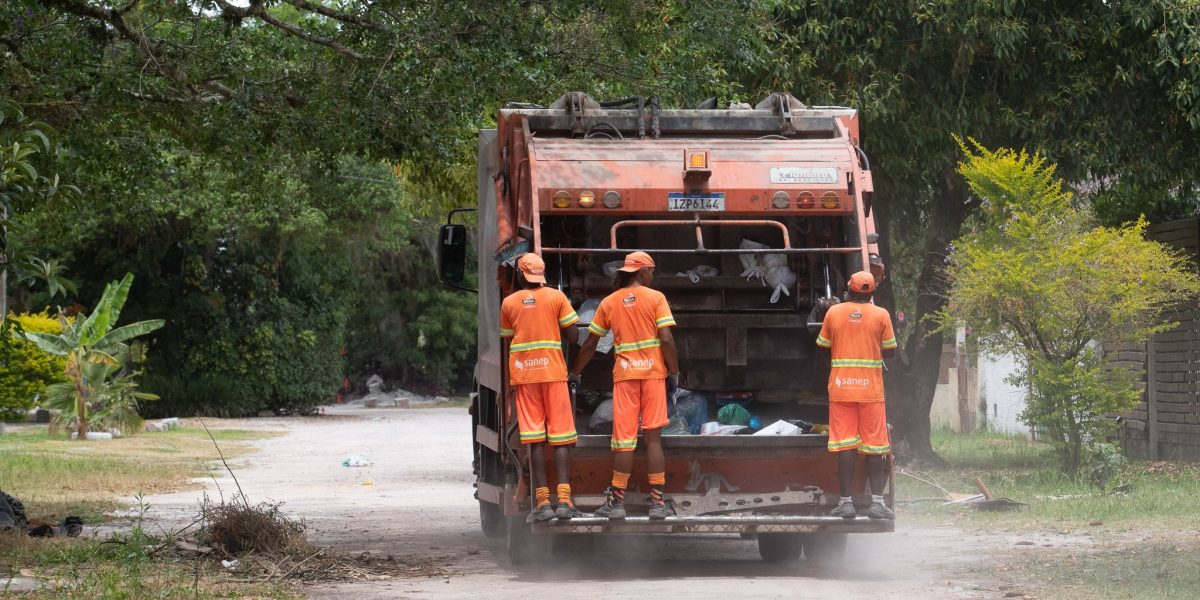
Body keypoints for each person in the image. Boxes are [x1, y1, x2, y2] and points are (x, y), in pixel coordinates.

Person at [570, 251, 679, 520]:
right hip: (653, 376)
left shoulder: (609, 302)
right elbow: (666, 339)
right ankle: (657, 504)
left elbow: (590, 344)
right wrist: (674, 371)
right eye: (651, 271)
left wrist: (574, 373)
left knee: (625, 442)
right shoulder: (656, 299)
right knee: (653, 441)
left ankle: (617, 503)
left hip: (626, 378)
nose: (652, 276)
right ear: (642, 272)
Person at [500, 253, 582, 521]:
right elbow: (574, 334)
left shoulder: (509, 303)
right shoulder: (557, 298)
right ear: (541, 273)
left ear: (522, 275)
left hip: (525, 378)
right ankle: (565, 500)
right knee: (561, 437)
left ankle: (543, 502)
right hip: (553, 375)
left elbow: (507, 341)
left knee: (534, 439)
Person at [815, 271, 897, 520]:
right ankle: (877, 503)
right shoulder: (881, 315)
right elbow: (891, 351)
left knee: (845, 446)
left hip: (842, 389)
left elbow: (822, 348)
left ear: (848, 290)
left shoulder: (834, 313)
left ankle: (846, 502)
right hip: (871, 391)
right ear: (872, 293)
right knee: (875, 447)